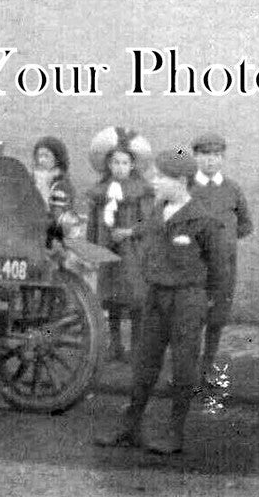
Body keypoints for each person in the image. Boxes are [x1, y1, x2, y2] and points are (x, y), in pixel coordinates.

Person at [95, 149, 228, 455]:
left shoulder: (203, 220)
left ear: (180, 181)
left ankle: (175, 433)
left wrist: (206, 309)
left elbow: (219, 272)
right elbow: (145, 233)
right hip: (155, 298)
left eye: (161, 177)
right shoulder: (158, 212)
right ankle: (130, 427)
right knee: (144, 364)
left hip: (187, 300)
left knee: (183, 368)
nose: (154, 181)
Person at [189, 132, 253, 386]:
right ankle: (187, 372)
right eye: (205, 155)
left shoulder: (232, 188)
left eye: (216, 156)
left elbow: (245, 225)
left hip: (224, 265)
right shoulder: (188, 188)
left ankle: (206, 370)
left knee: (217, 318)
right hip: (194, 265)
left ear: (223, 158)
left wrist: (223, 243)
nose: (211, 161)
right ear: (195, 156)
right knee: (192, 318)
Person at [86, 128, 153, 363]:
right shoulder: (101, 191)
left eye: (125, 163)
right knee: (111, 299)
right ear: (108, 164)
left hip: (133, 251)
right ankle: (115, 345)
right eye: (115, 162)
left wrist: (129, 231)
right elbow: (94, 223)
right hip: (107, 249)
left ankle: (137, 347)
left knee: (135, 299)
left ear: (132, 165)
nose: (120, 167)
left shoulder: (141, 191)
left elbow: (149, 222)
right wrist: (92, 249)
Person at [31, 136, 75, 224]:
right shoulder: (33, 179)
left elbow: (57, 216)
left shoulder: (60, 185)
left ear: (57, 159)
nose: (41, 160)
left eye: (46, 156)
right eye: (39, 156)